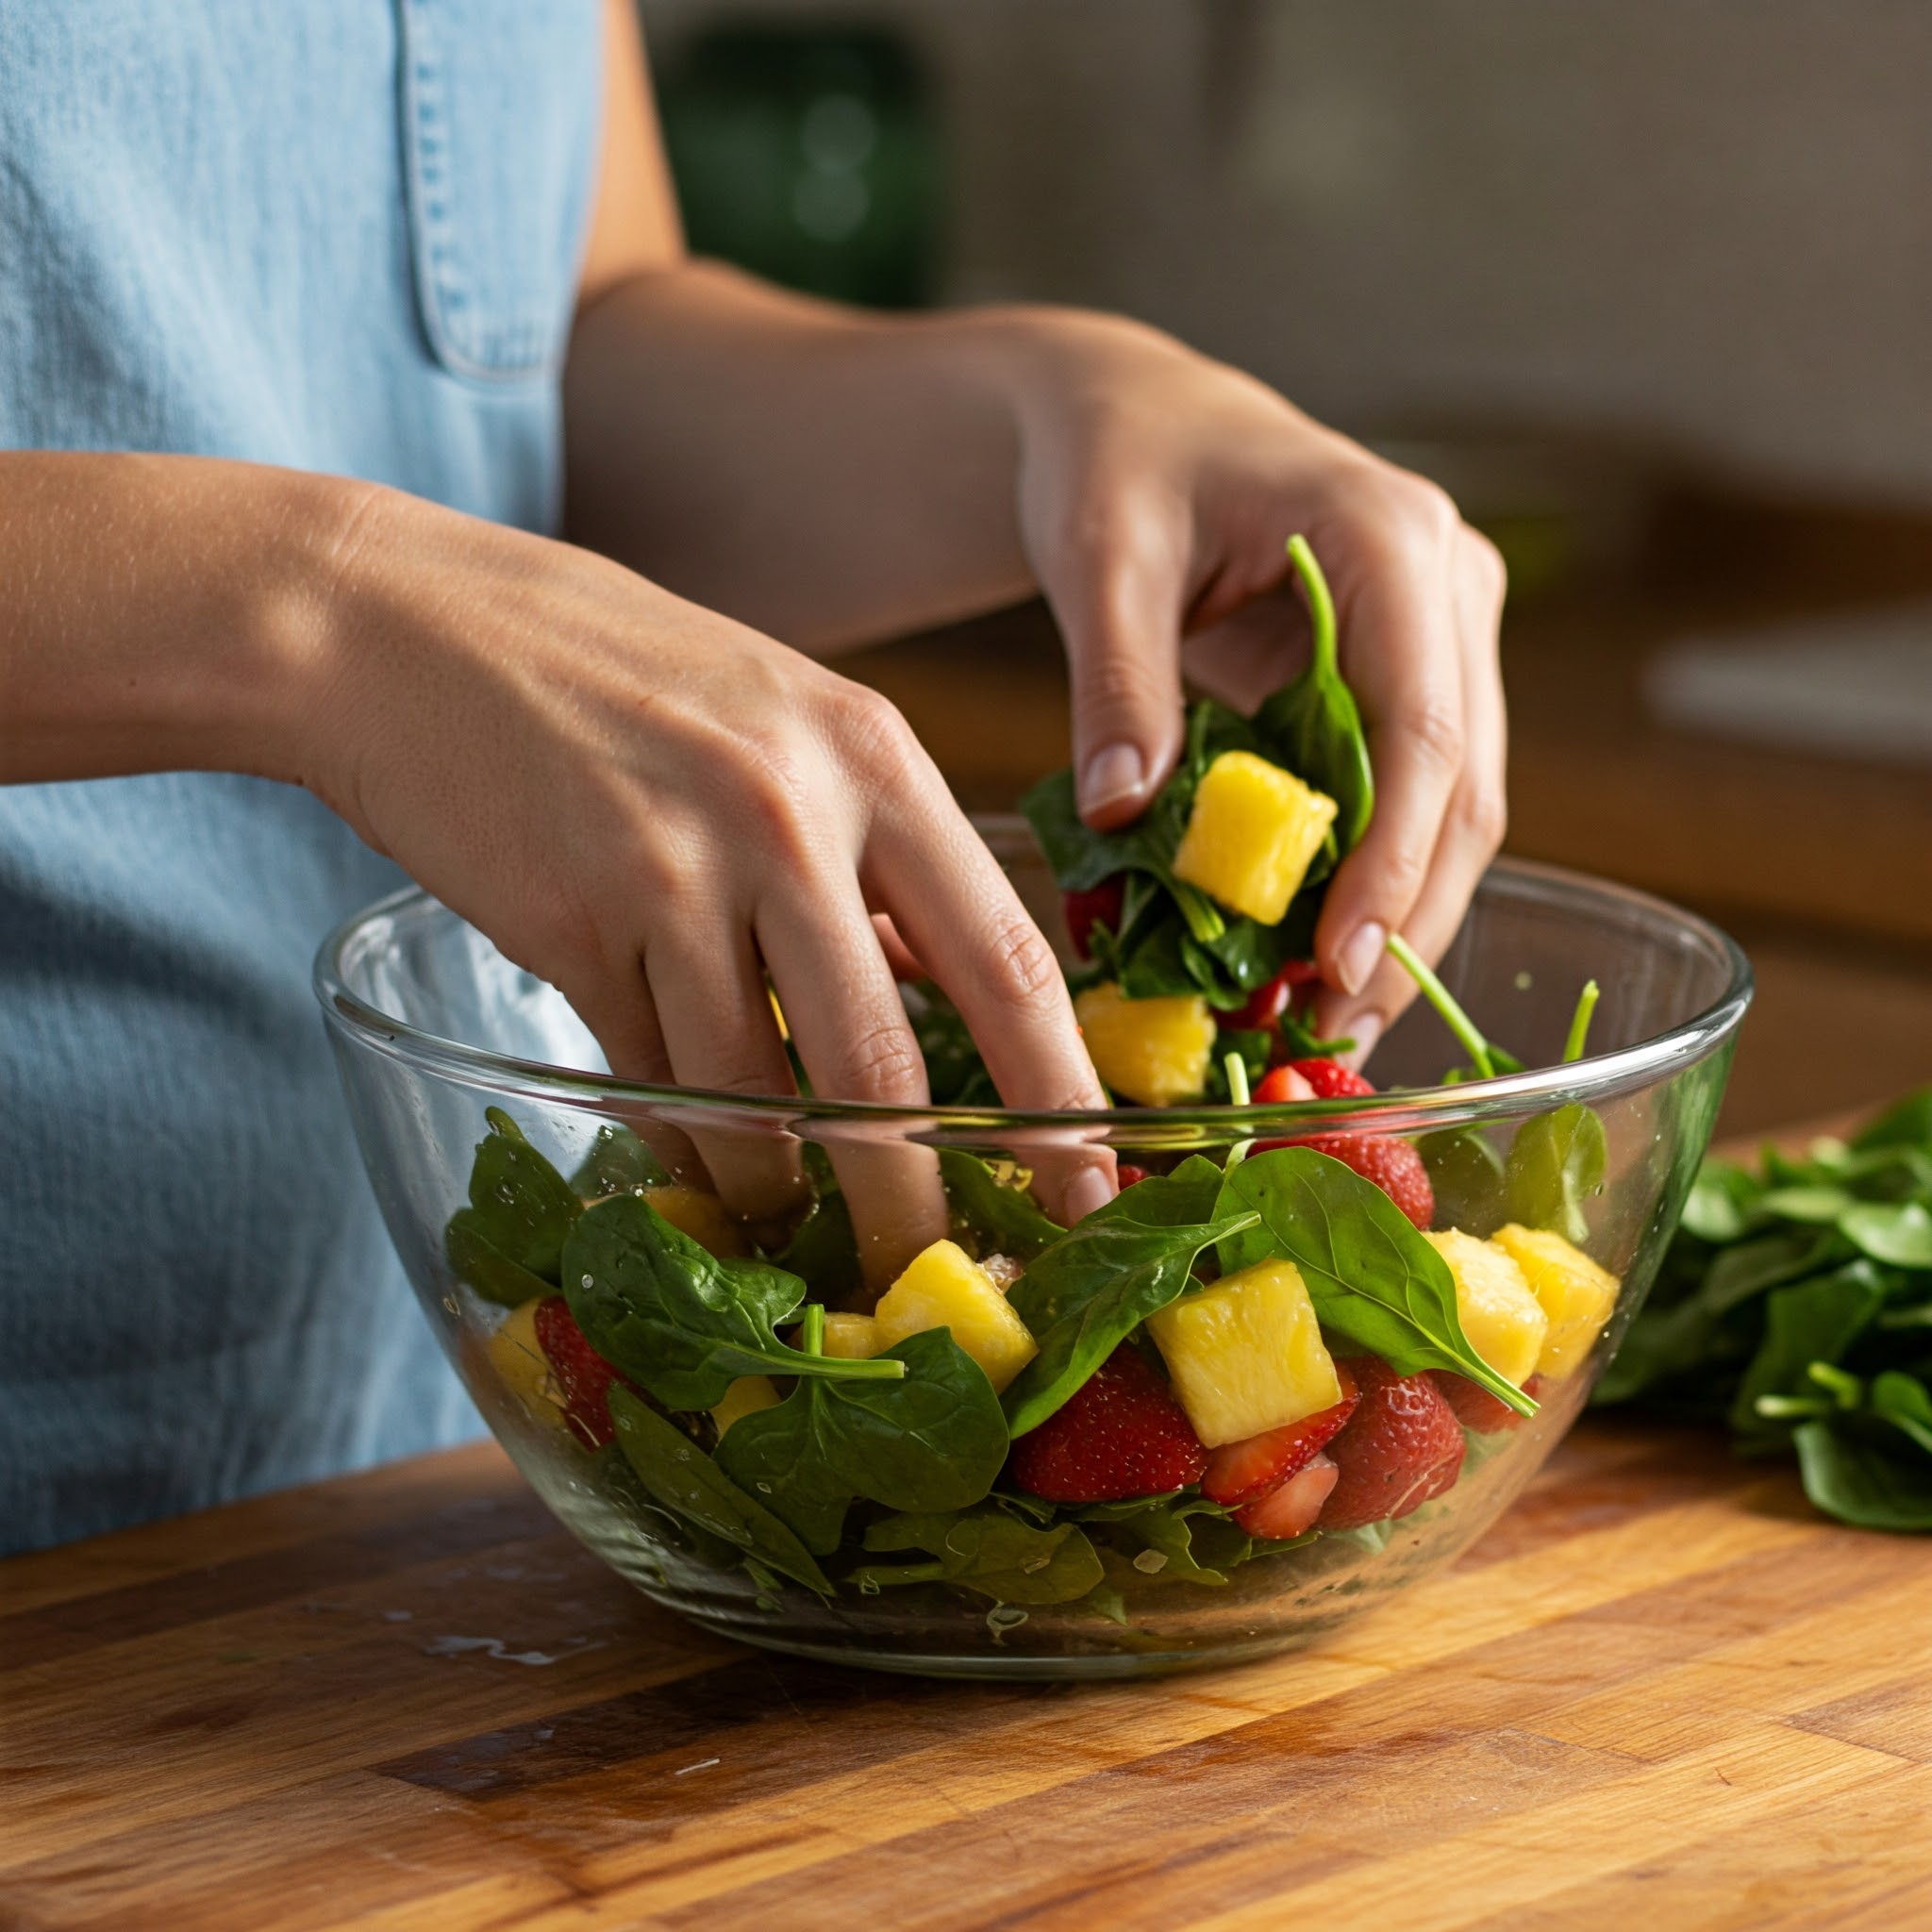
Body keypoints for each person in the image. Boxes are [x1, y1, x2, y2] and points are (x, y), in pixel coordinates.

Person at [0, 0, 1506, 1557]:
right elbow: (394, 556)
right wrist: (321, 610)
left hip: (404, 1471)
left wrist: (1052, 415)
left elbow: (532, 367)